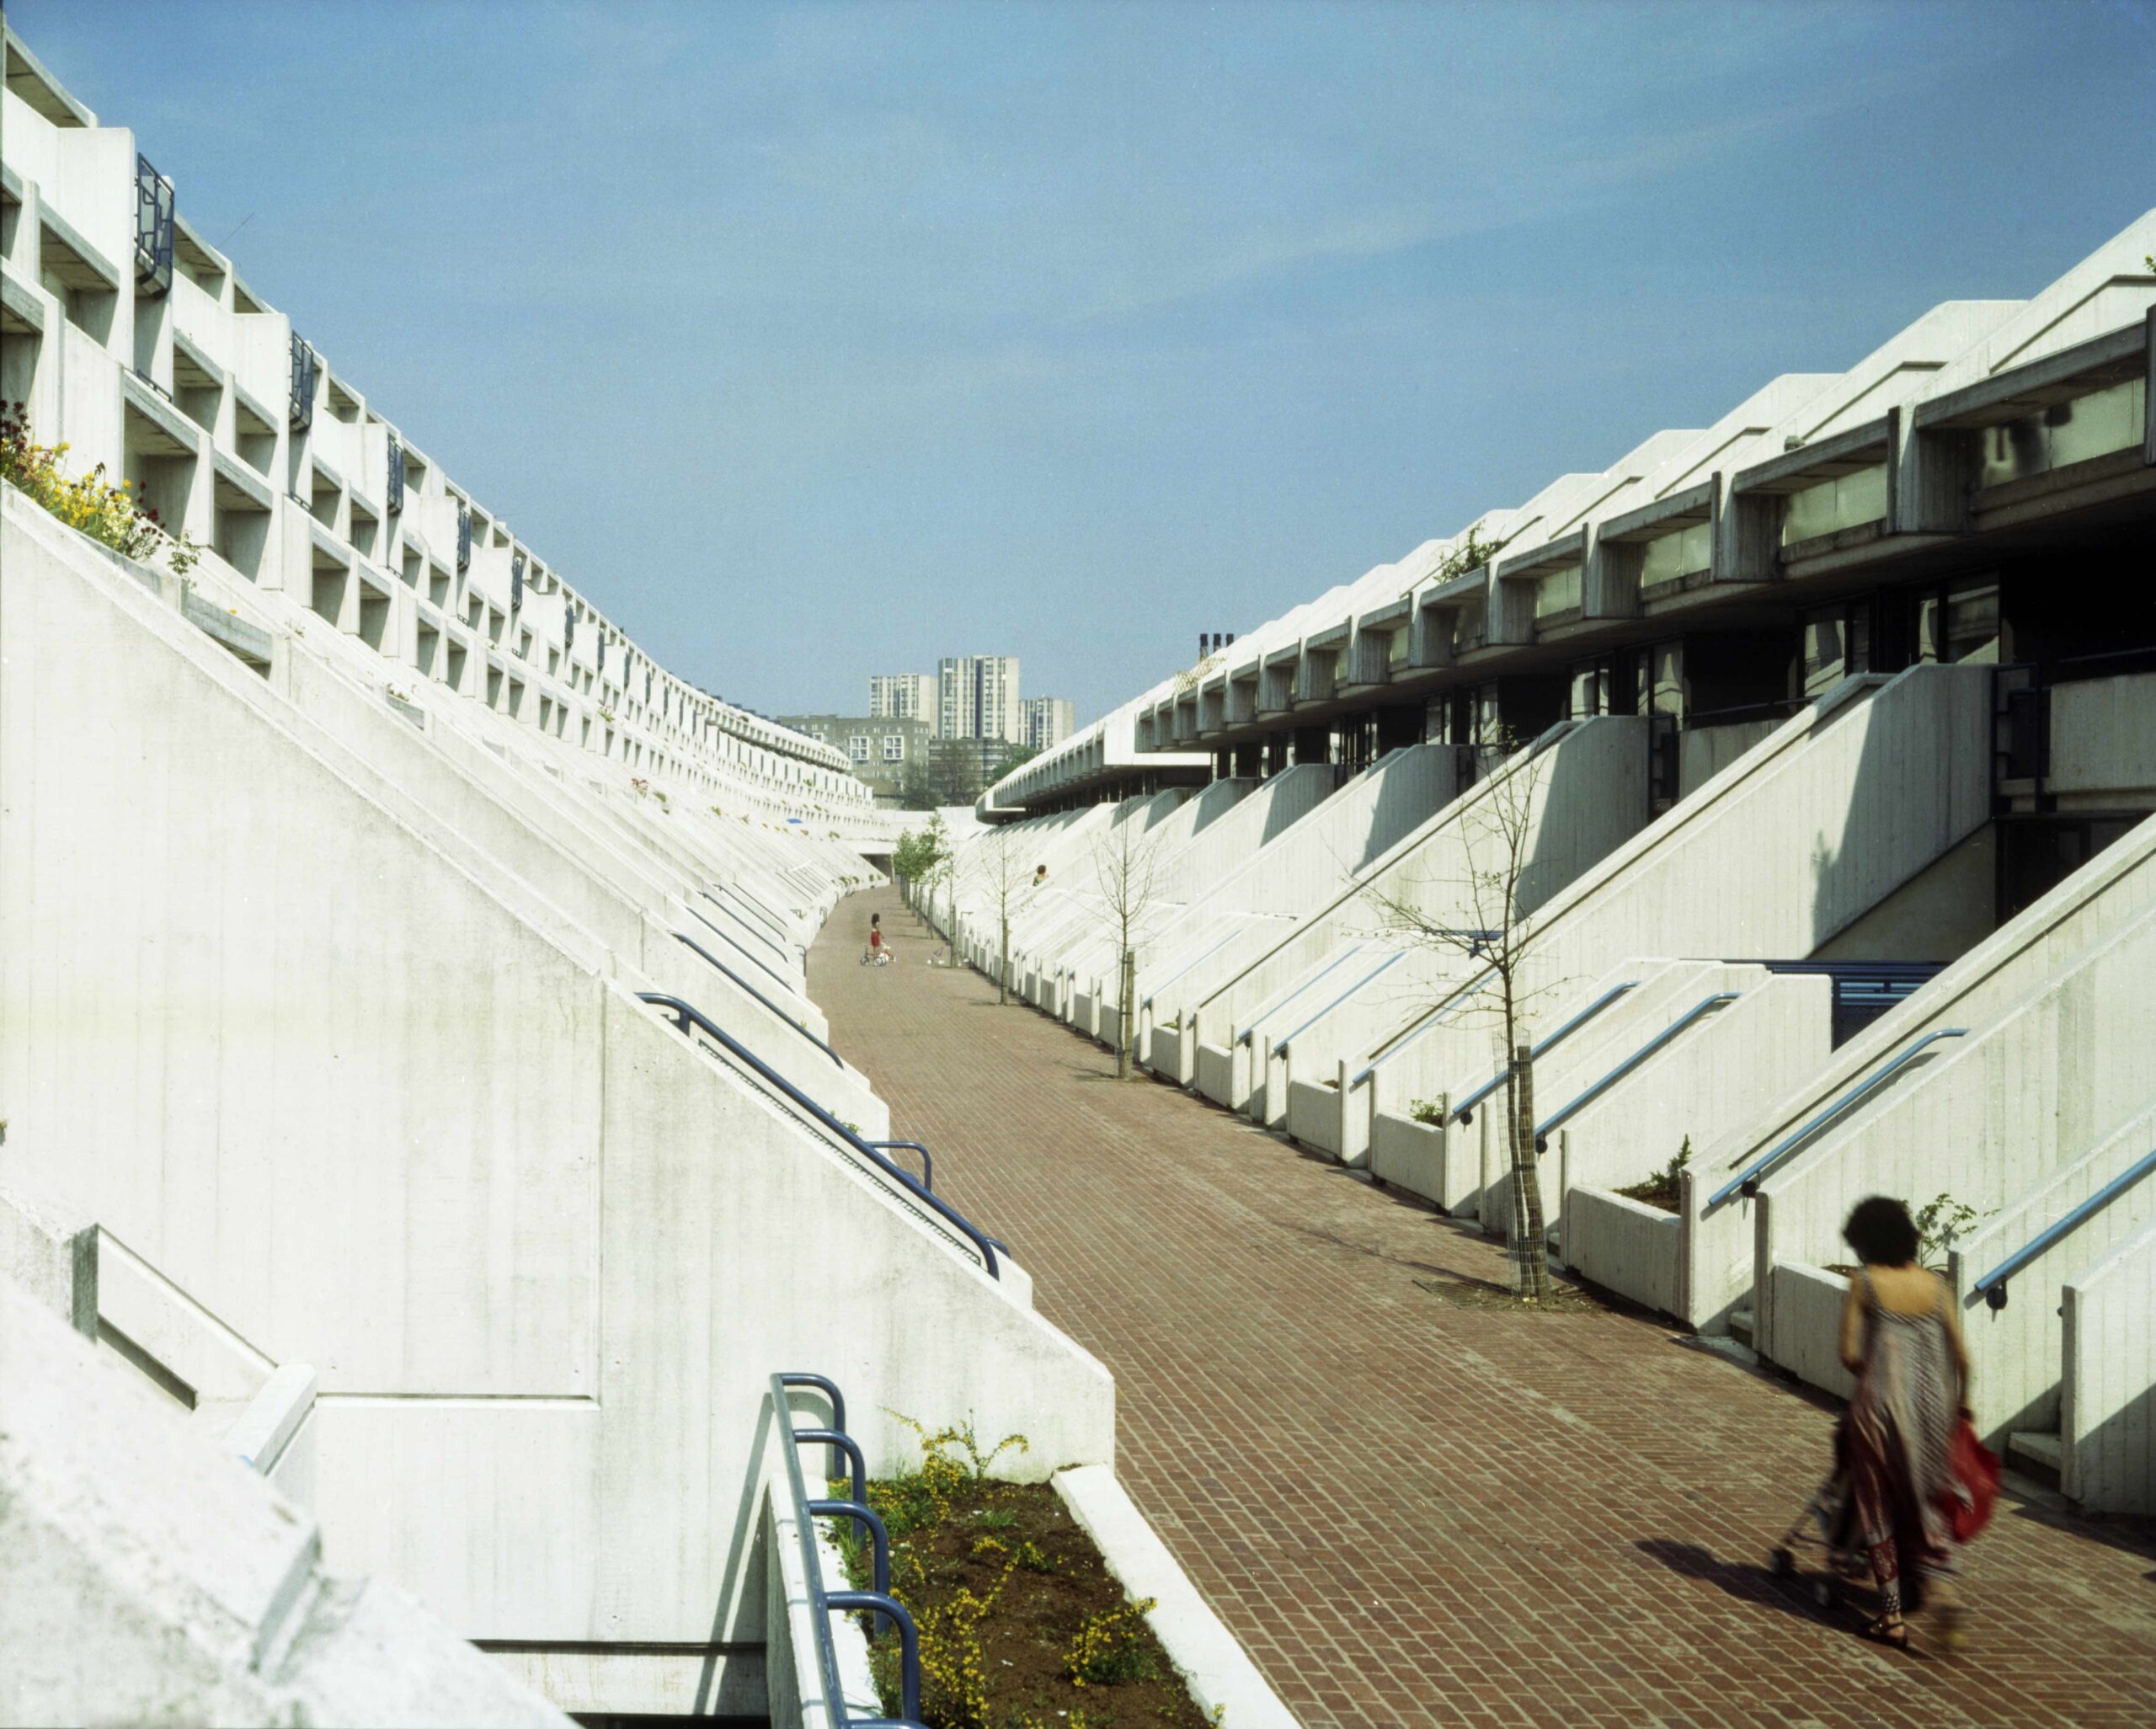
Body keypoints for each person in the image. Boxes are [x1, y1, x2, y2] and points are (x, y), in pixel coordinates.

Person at [1836, 1195, 1973, 1651]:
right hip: (1933, 1413)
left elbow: (1849, 1354)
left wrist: (1875, 1372)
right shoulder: (1937, 1286)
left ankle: (1891, 1617)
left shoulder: (1865, 1282)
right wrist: (1964, 1407)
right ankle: (1943, 1589)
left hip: (1879, 1409)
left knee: (1877, 1508)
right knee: (1925, 1504)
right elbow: (1963, 1358)